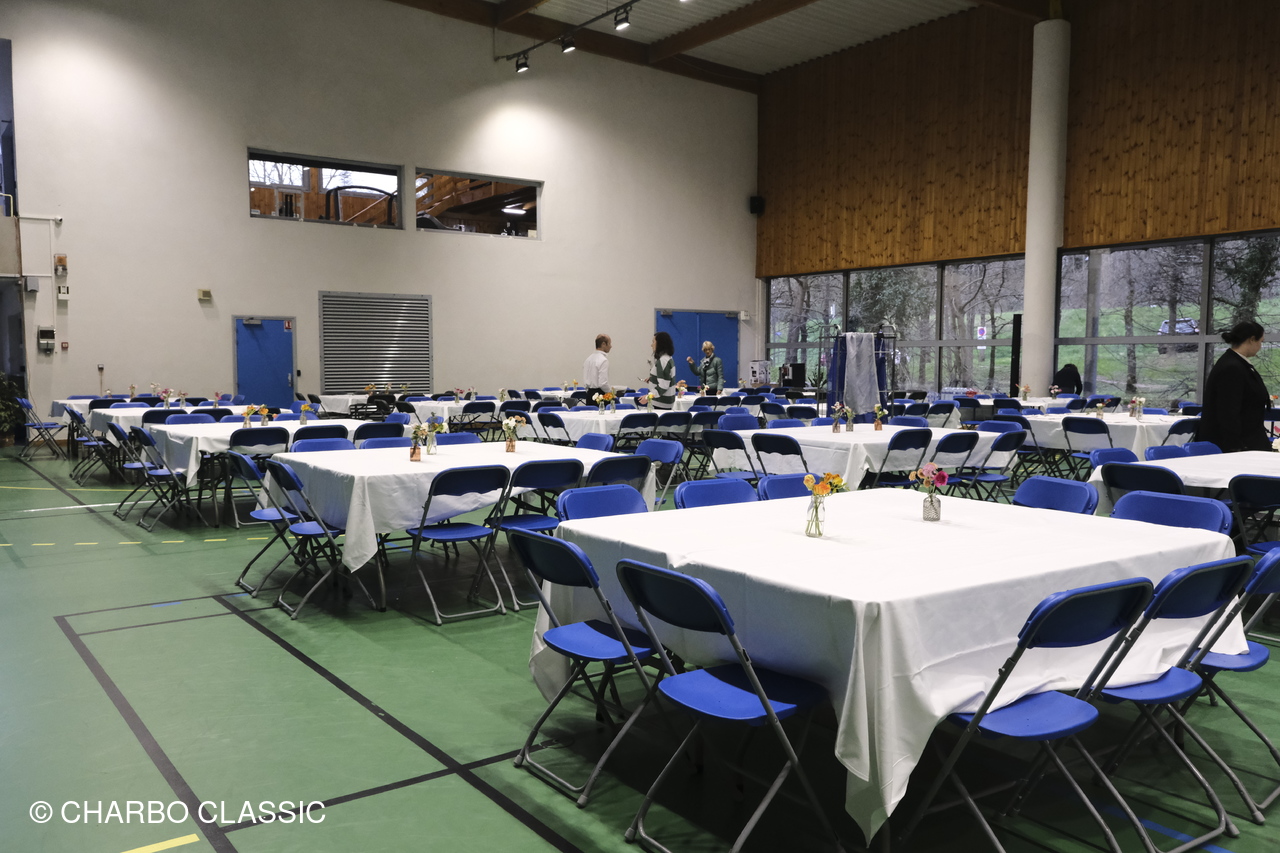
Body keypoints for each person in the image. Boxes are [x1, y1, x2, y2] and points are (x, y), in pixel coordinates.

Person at [1196, 320, 1271, 452]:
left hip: (1247, 439)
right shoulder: (1232, 367)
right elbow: (1228, 411)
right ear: (1251, 340)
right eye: (1261, 341)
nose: (1260, 346)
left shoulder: (1238, 363)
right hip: (1234, 444)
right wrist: (1235, 446)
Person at [648, 332, 678, 410]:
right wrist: (652, 379)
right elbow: (666, 378)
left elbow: (663, 386)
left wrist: (649, 396)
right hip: (665, 402)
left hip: (660, 402)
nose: (651, 345)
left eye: (653, 342)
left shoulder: (663, 361)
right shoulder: (668, 358)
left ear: (660, 343)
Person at [583, 334, 611, 400]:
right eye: (609, 343)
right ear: (603, 344)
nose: (611, 346)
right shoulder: (603, 360)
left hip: (589, 394)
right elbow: (603, 383)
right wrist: (610, 392)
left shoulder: (588, 359)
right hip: (599, 395)